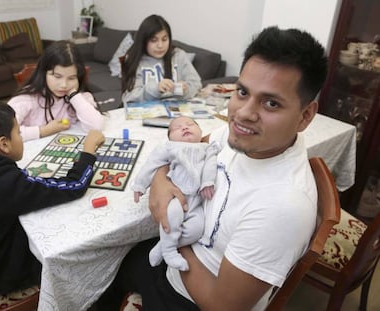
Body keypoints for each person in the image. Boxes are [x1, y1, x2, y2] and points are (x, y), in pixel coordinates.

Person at [98, 25, 328, 311]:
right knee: (102, 271)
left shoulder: (283, 205)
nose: (243, 113)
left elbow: (222, 305)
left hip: (190, 298)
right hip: (177, 259)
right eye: (242, 92)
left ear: (305, 116)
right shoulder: (238, 139)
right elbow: (188, 151)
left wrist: (174, 238)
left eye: (271, 103)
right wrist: (160, 180)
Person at [0, 98, 105, 295]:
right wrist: (89, 150)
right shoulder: (5, 183)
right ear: (4, 144)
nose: (21, 138)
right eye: (19, 133)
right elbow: (74, 185)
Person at [131, 116, 220, 271]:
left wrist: (207, 181)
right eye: (177, 128)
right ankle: (170, 252)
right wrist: (140, 184)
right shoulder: (170, 147)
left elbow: (210, 166)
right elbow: (152, 164)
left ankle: (163, 247)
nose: (184, 128)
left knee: (197, 229)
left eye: (190, 124)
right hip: (176, 195)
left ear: (201, 131)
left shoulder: (208, 148)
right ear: (170, 137)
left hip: (197, 201)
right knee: (171, 217)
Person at [7, 40, 106, 142]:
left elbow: (96, 127)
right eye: (57, 76)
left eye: (71, 78)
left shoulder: (80, 97)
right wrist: (44, 131)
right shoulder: (26, 99)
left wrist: (74, 96)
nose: (64, 85)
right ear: (43, 73)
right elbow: (5, 133)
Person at [121, 14, 202, 103]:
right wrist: (156, 89)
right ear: (144, 41)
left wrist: (185, 91)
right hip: (146, 113)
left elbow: (196, 84)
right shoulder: (135, 60)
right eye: (154, 40)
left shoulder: (178, 56)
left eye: (164, 39)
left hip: (176, 111)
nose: (160, 46)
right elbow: (129, 97)